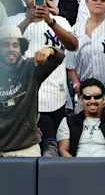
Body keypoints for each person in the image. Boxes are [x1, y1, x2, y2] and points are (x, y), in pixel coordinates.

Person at [10, 0, 79, 133]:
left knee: (52, 146)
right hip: (20, 97)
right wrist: (28, 21)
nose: (35, 0)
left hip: (54, 95)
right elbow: (4, 44)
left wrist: (50, 22)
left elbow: (73, 45)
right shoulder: (13, 21)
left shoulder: (59, 21)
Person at [0, 25, 64, 157]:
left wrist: (50, 50)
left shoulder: (31, 67)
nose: (11, 49)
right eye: (5, 45)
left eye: (15, 45)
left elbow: (59, 57)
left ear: (21, 48)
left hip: (26, 147)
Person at [57, 78, 105, 157]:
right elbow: (63, 150)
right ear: (81, 100)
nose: (92, 101)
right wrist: (76, 167)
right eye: (87, 97)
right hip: (77, 166)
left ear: (104, 99)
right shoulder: (68, 122)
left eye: (97, 97)